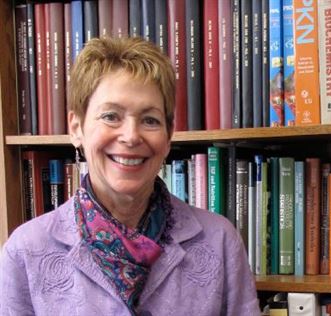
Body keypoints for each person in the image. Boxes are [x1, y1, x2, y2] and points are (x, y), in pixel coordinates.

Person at [0, 37, 260, 316]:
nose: (131, 136)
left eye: (150, 120)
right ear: (76, 127)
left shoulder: (218, 241)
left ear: (168, 135)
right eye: (111, 116)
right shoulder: (26, 251)